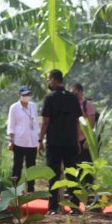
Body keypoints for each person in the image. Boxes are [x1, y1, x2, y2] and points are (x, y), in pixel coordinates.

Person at [38, 69, 83, 215]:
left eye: (48, 79)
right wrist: (76, 140)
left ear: (53, 79)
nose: (48, 82)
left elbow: (45, 121)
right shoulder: (73, 98)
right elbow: (77, 121)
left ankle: (52, 208)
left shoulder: (49, 98)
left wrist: (40, 140)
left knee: (53, 175)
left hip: (54, 142)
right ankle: (75, 207)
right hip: (70, 142)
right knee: (72, 174)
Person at [7, 86, 39, 190]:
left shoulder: (33, 106)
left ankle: (31, 188)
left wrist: (38, 139)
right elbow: (11, 125)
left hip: (32, 141)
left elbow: (36, 122)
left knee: (31, 166)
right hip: (19, 141)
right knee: (17, 165)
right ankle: (15, 188)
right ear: (19, 95)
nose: (26, 97)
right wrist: (11, 141)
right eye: (24, 95)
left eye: (28, 95)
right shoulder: (14, 107)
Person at [70, 83, 96, 164]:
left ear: (81, 92)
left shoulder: (87, 104)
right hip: (74, 140)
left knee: (86, 164)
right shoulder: (71, 105)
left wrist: (88, 139)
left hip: (84, 140)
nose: (73, 95)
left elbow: (92, 123)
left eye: (75, 93)